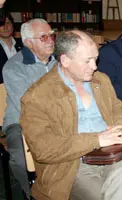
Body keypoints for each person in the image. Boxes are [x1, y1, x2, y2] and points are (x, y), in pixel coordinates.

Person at [19, 30, 122, 200]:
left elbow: (118, 110)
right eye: (87, 61)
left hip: (111, 153)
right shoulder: (37, 96)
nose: (95, 66)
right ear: (65, 60)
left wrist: (120, 128)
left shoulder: (101, 80)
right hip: (70, 165)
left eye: (95, 58)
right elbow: (42, 148)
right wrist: (96, 140)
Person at [2, 18, 57, 197]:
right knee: (20, 159)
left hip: (60, 117)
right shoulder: (14, 66)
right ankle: (31, 193)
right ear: (28, 43)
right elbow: (28, 104)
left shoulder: (60, 60)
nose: (51, 40)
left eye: (51, 35)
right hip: (21, 122)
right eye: (43, 37)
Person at [0, 13, 23, 84]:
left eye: (8, 23)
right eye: (2, 24)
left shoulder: (24, 44)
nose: (5, 27)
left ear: (12, 25)